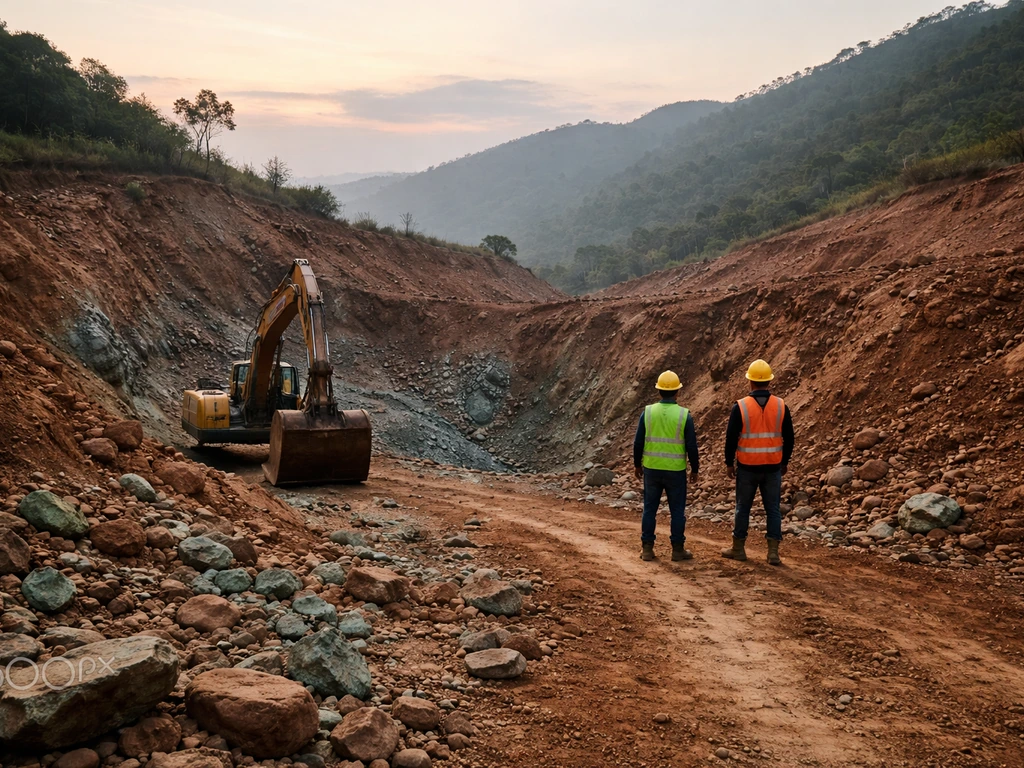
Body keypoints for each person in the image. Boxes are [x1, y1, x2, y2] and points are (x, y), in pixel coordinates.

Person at [722, 359, 794, 566]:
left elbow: (730, 438)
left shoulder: (741, 407)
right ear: (769, 381)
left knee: (742, 508)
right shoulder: (781, 406)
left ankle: (738, 549)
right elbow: (789, 437)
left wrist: (729, 463)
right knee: (773, 509)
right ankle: (773, 553)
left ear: (750, 382)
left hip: (747, 467)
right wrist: (785, 461)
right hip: (773, 467)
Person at [633, 370, 700, 562]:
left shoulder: (648, 412)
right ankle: (677, 550)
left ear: (659, 391)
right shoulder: (684, 415)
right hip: (676, 471)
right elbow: (692, 446)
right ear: (677, 392)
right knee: (677, 511)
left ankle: (647, 549)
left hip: (652, 469)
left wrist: (637, 464)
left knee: (649, 509)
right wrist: (694, 469)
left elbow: (638, 443)